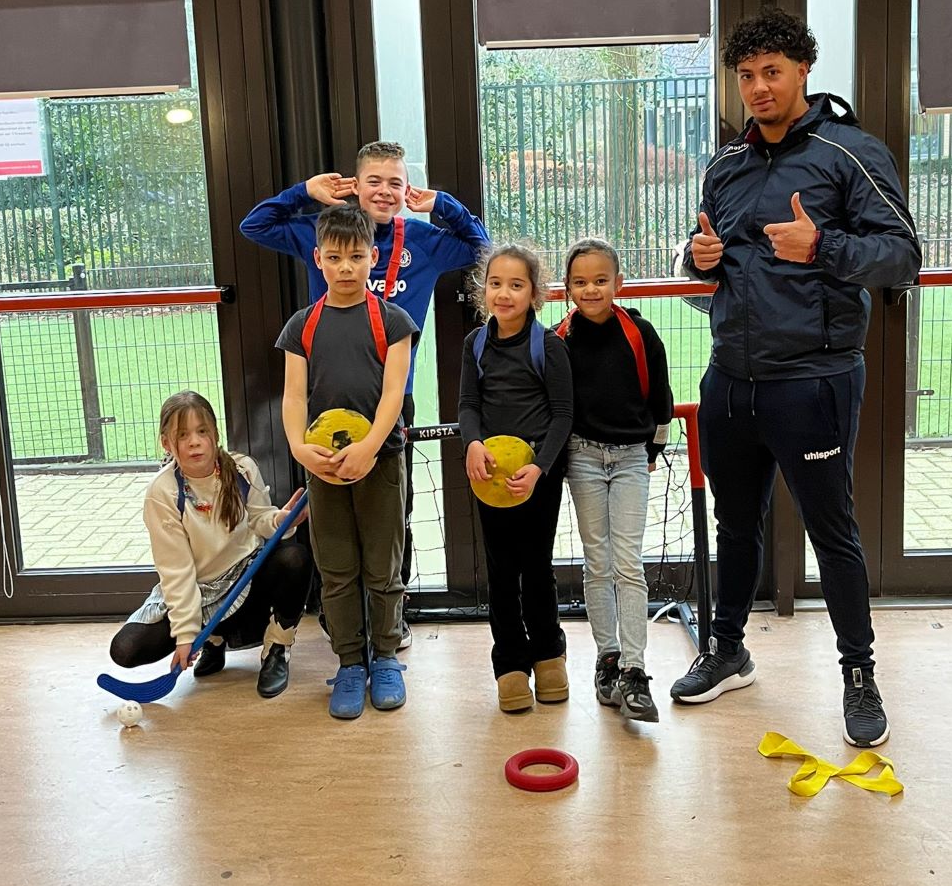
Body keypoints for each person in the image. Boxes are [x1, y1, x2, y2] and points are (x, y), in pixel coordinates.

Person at [671, 6, 922, 748]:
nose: (758, 87)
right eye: (746, 75)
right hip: (730, 379)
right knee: (734, 523)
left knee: (831, 531)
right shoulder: (725, 165)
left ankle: (859, 675)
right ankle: (727, 651)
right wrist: (696, 261)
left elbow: (903, 257)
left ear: (804, 70)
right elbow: (703, 267)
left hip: (813, 380)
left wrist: (823, 247)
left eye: (772, 71)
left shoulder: (850, 152)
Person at [241, 140, 490, 647]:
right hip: (327, 401)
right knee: (333, 514)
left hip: (391, 403)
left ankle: (391, 620)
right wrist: (305, 192)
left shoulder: (421, 240)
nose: (384, 191)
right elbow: (255, 225)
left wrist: (442, 205)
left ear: (406, 190)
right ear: (354, 187)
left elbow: (481, 248)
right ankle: (342, 622)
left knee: (395, 513)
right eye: (373, 181)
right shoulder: (323, 233)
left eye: (395, 182)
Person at [277, 204, 418, 720]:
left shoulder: (393, 322)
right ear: (318, 259)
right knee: (336, 570)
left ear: (372, 258)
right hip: (323, 468)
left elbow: (394, 394)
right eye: (334, 258)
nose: (345, 267)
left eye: (356, 257)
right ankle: (351, 663)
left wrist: (370, 447)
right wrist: (300, 449)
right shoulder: (302, 326)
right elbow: (294, 397)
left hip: (381, 462)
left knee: (383, 567)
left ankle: (386, 658)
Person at [108, 392, 311, 699]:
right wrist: (186, 635)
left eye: (202, 431)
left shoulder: (242, 468)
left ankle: (277, 648)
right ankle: (213, 639)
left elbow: (260, 519)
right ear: (167, 443)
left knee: (295, 558)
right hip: (200, 590)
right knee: (125, 649)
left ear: (215, 434)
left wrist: (281, 519)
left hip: (245, 579)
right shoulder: (162, 493)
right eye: (183, 435)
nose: (194, 442)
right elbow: (176, 572)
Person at [557, 238, 673, 723]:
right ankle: (607, 659)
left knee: (628, 563)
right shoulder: (559, 339)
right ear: (567, 288)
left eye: (601, 280)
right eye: (581, 282)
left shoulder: (640, 333)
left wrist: (652, 452)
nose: (591, 290)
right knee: (597, 562)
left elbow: (661, 400)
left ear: (618, 283)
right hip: (582, 458)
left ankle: (635, 669)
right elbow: (557, 407)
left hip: (630, 460)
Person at [459, 244, 573, 713]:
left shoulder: (549, 346)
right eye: (495, 283)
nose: (504, 294)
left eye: (516, 285)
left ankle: (548, 654)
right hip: (490, 479)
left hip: (537, 477)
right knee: (502, 571)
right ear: (483, 289)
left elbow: (563, 415)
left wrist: (539, 467)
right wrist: (472, 443)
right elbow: (468, 404)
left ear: (534, 294)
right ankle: (509, 663)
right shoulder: (475, 344)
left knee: (536, 567)